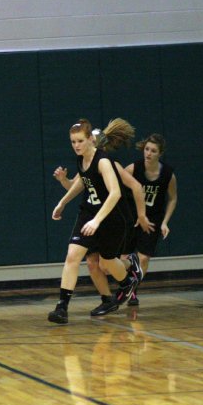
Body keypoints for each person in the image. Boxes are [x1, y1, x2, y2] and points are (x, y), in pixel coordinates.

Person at [49, 118, 142, 324]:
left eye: (80, 141)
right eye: (73, 142)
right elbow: (81, 183)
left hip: (112, 217)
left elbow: (116, 193)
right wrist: (62, 202)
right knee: (72, 255)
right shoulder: (82, 161)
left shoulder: (103, 161)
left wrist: (97, 221)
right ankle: (62, 308)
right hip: (89, 213)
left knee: (106, 263)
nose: (76, 146)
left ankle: (127, 282)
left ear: (91, 139)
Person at [123, 133, 178, 306]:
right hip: (132, 217)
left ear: (159, 154)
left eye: (153, 151)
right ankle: (125, 284)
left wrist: (165, 222)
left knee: (144, 259)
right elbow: (115, 184)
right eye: (147, 149)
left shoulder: (168, 174)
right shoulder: (133, 168)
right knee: (122, 259)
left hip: (152, 219)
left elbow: (173, 198)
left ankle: (132, 291)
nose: (148, 153)